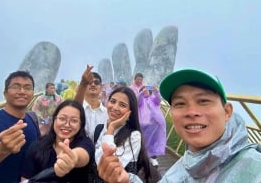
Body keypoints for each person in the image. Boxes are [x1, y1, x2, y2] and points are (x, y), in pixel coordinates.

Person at [98, 68, 261, 183]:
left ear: (227, 112)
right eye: (180, 103)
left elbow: (156, 102)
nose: (191, 111)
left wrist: (154, 94)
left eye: (203, 101)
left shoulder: (254, 167)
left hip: (153, 121)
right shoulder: (182, 168)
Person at [21, 100, 95, 183]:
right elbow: (25, 178)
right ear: (54, 120)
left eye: (74, 121)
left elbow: (82, 154)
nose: (67, 125)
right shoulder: (36, 147)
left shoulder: (86, 143)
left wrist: (73, 158)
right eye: (62, 119)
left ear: (81, 124)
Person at [138, 85, 166, 166]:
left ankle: (153, 158)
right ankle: (142, 157)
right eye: (144, 91)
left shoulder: (153, 99)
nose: (146, 92)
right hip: (144, 126)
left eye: (148, 91)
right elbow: (137, 100)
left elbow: (159, 99)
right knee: (143, 141)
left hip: (156, 125)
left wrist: (157, 92)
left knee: (155, 141)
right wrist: (141, 94)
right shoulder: (141, 100)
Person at [76, 69, 108, 142]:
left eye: (96, 82)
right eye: (89, 82)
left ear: (101, 88)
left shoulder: (107, 113)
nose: (93, 85)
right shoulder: (78, 109)